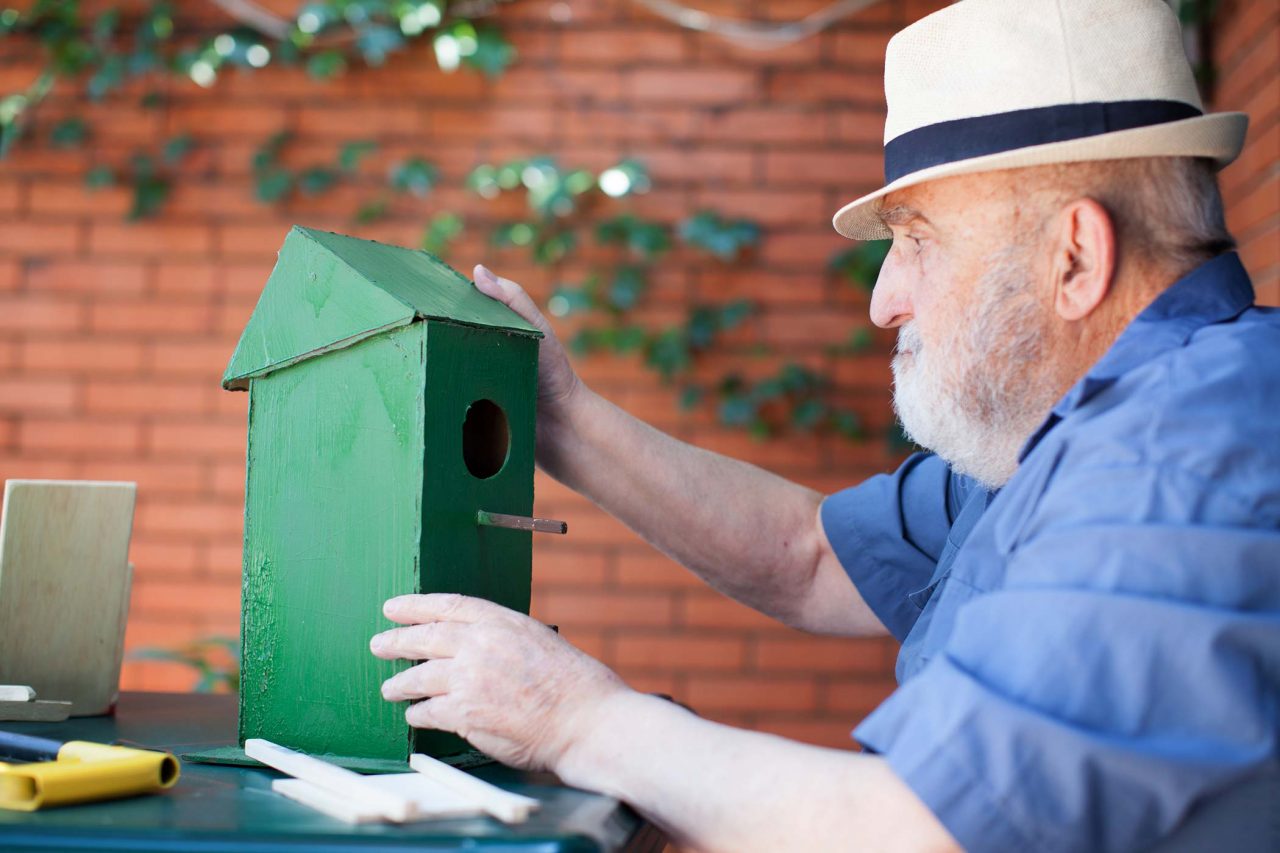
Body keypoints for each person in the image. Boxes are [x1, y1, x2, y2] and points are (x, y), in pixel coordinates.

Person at [368, 1, 1280, 849]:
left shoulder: (1183, 457)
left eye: (917, 240)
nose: (884, 301)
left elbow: (922, 832)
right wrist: (560, 417)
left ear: (1075, 256)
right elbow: (811, 556)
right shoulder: (1080, 426)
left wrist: (578, 719)